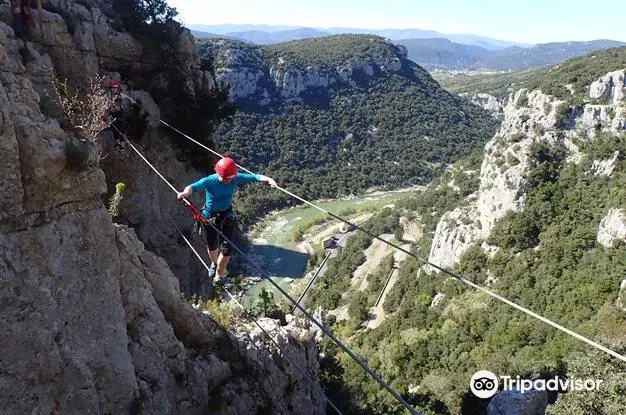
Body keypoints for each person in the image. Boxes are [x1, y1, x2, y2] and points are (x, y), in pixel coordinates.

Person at [177, 157, 277, 284]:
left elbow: (255, 177)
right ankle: (214, 263)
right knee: (212, 245)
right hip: (210, 215)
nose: (227, 182)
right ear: (218, 174)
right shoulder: (210, 180)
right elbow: (192, 187)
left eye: (229, 180)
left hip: (227, 214)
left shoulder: (234, 178)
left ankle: (218, 275)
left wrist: (269, 179)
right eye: (225, 180)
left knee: (227, 248)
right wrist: (184, 194)